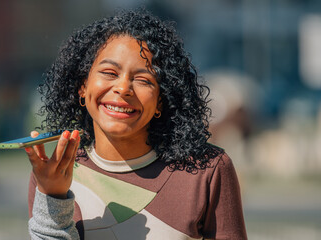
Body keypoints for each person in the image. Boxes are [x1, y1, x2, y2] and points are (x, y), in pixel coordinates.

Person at [25, 9, 247, 240]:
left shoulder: (208, 170)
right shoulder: (52, 175)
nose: (123, 88)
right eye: (109, 72)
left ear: (162, 99)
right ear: (83, 86)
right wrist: (53, 197)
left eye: (143, 80)